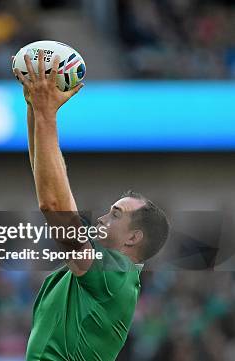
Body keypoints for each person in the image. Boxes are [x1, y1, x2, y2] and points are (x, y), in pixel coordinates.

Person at [13, 50, 169, 361]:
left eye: (115, 214)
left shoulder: (116, 274)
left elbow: (53, 202)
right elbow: (44, 176)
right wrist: (35, 107)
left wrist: (46, 114)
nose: (101, 217)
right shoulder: (102, 273)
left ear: (133, 238)